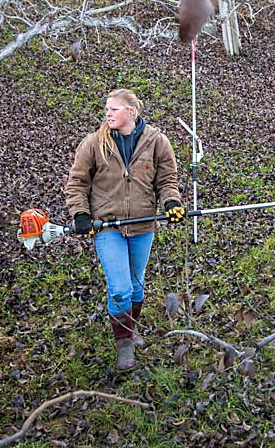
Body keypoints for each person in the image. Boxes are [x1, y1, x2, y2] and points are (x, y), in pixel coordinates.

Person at [65, 89, 185, 371]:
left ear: (131, 112)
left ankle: (131, 329)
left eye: (114, 109)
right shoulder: (94, 143)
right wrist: (81, 213)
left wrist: (171, 202)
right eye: (106, 109)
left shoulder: (157, 142)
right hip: (107, 226)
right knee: (120, 289)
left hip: (143, 224)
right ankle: (125, 343)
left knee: (136, 285)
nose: (108, 114)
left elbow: (167, 179)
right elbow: (77, 183)